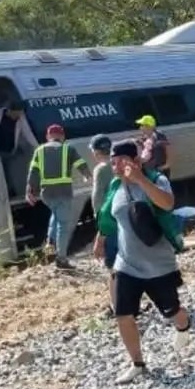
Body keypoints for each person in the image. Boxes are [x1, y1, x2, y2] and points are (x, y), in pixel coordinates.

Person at [95, 141, 190, 382]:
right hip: (126, 263)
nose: (115, 166)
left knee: (172, 312)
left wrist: (140, 180)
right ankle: (137, 363)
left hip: (158, 264)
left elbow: (167, 204)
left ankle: (183, 327)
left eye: (120, 161)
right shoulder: (115, 186)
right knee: (122, 313)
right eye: (113, 161)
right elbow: (109, 215)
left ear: (135, 161)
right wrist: (101, 238)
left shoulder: (155, 179)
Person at [26, 124, 91, 268]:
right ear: (62, 136)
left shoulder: (39, 151)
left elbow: (33, 173)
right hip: (64, 192)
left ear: (48, 137)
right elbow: (81, 164)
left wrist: (31, 192)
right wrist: (88, 176)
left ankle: (50, 241)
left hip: (47, 194)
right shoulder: (68, 149)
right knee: (63, 225)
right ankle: (61, 258)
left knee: (55, 215)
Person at [89, 134, 119, 315]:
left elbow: (98, 201)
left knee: (114, 266)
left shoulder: (101, 169)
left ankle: (117, 306)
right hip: (126, 220)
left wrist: (100, 232)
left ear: (95, 151)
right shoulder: (120, 164)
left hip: (110, 223)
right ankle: (134, 302)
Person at [0, 100, 38, 197]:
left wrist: (38, 147)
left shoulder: (20, 119)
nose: (18, 116)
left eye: (20, 113)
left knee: (9, 173)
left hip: (9, 151)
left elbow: (28, 133)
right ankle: (1, 194)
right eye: (17, 113)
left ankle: (10, 192)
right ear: (10, 110)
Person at [135, 115, 172, 179]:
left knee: (162, 188)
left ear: (148, 126)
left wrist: (166, 165)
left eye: (142, 126)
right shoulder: (144, 138)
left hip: (160, 170)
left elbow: (168, 150)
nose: (140, 128)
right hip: (149, 171)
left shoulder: (159, 136)